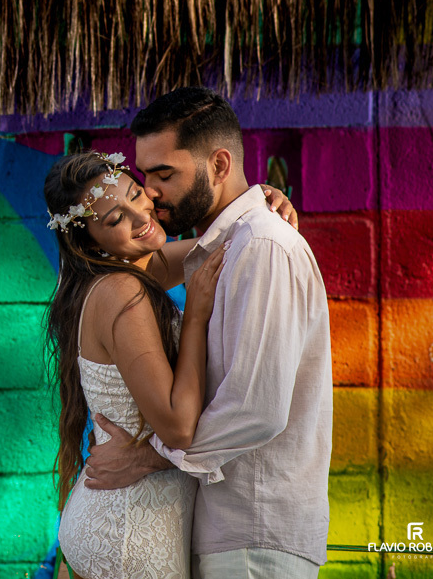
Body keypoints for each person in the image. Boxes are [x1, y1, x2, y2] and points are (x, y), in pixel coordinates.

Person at [80, 87, 332, 579]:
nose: (150, 192)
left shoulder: (263, 247)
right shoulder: (231, 244)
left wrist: (147, 460)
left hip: (254, 531)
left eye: (163, 175)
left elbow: (256, 408)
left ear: (218, 165)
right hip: (227, 528)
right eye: (144, 176)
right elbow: (134, 270)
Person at [42, 147, 297, 579]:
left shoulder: (126, 273)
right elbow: (178, 428)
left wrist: (265, 201)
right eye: (114, 219)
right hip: (131, 534)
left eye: (135, 194)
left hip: (119, 521)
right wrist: (195, 316)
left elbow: (232, 237)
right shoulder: (122, 291)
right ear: (89, 241)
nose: (140, 216)